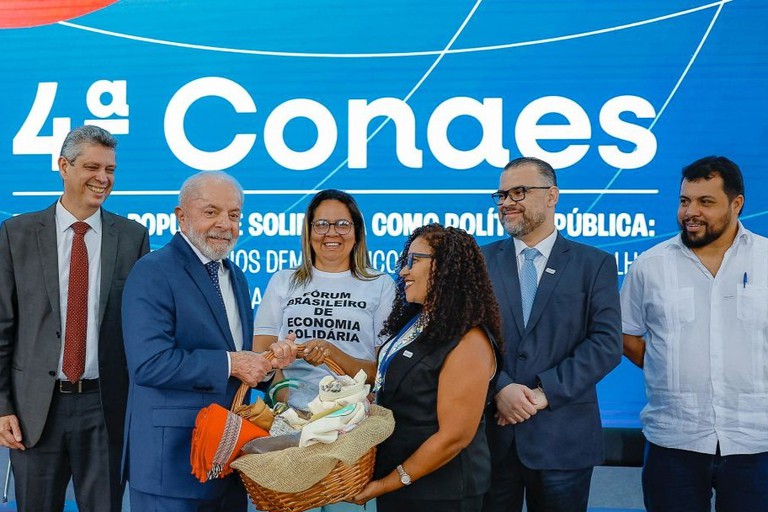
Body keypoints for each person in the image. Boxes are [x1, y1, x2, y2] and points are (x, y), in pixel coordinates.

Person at [121, 171, 297, 511]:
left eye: (234, 215)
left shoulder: (236, 276)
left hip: (228, 461)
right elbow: (149, 363)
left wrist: (265, 365)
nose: (224, 224)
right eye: (211, 212)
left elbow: (237, 363)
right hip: (172, 464)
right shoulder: (152, 271)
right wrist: (233, 362)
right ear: (181, 215)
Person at [0, 125, 149, 512]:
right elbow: (2, 327)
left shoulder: (132, 238)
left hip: (105, 409)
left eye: (110, 170)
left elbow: (140, 331)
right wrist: (2, 406)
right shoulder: (16, 234)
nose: (103, 178)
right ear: (64, 166)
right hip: (35, 412)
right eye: (92, 167)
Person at [306, 223, 502, 512]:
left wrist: (387, 484)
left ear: (446, 268)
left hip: (441, 493)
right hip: (402, 484)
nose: (404, 272)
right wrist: (330, 353)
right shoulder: (418, 322)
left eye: (414, 261)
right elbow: (388, 377)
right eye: (405, 262)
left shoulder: (469, 341)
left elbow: (454, 437)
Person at [620, 156, 768, 512]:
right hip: (674, 440)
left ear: (736, 204)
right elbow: (626, 334)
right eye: (685, 201)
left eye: (705, 202)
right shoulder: (649, 265)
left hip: (757, 440)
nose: (691, 212)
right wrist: (668, 367)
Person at [481, 157, 622, 512]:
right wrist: (500, 387)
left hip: (564, 439)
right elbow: (465, 338)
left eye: (519, 192)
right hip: (493, 436)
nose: (506, 202)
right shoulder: (479, 262)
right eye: (501, 195)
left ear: (552, 196)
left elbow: (606, 345)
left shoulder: (594, 264)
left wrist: (544, 394)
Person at [253, 189, 395, 411]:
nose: (332, 233)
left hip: (354, 413)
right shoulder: (283, 280)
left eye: (342, 224)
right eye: (321, 224)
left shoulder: (380, 284)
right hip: (289, 412)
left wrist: (332, 353)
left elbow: (385, 369)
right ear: (308, 232)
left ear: (357, 231)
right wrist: (289, 399)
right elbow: (260, 353)